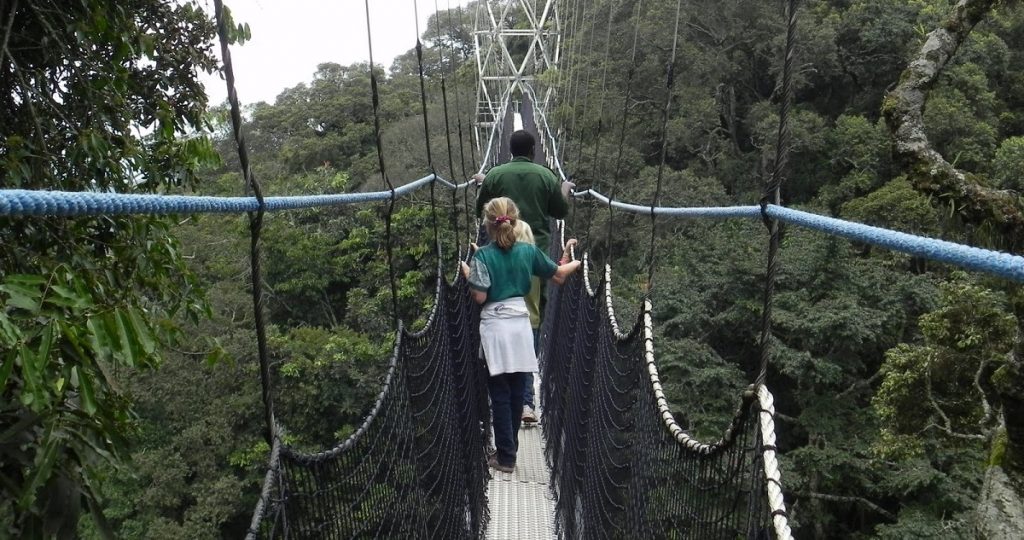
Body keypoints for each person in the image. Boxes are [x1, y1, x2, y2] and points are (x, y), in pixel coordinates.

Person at [461, 197, 579, 473]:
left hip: (495, 328)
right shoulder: (528, 252)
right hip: (521, 326)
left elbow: (479, 297)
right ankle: (508, 451)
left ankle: (505, 457)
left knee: (499, 392)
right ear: (515, 221)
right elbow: (559, 275)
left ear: (487, 225)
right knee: (516, 390)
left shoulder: (482, 256)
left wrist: (469, 274)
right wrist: (578, 264)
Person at [475, 129, 573, 422]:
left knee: (493, 315)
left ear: (508, 149)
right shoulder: (545, 176)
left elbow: (478, 209)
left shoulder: (495, 175)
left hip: (495, 260)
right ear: (533, 151)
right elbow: (560, 211)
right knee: (531, 319)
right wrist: (564, 187)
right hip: (535, 258)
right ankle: (527, 402)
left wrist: (484, 184)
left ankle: (500, 399)